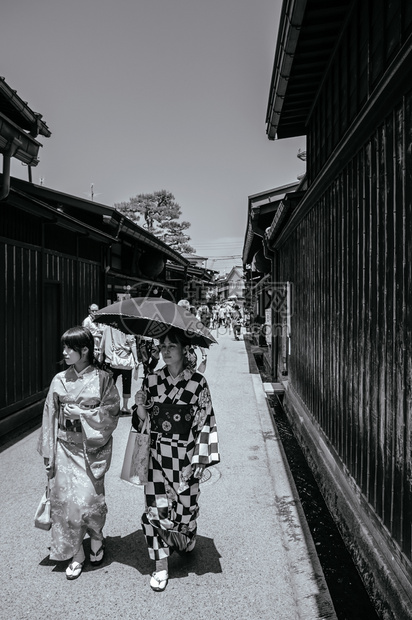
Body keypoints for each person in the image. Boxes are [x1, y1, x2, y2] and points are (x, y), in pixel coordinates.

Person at [132, 328, 220, 592]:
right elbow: (142, 423)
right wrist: (139, 406)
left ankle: (185, 536)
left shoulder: (198, 383)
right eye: (163, 346)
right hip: (157, 456)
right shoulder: (151, 380)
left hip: (185, 456)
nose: (166, 350)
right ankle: (160, 566)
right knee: (155, 512)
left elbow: (205, 422)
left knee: (185, 512)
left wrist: (200, 459)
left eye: (172, 345)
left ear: (185, 350)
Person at [37, 326, 120, 580]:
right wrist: (48, 451)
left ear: (84, 350)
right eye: (64, 348)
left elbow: (112, 413)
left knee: (90, 498)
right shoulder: (59, 379)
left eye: (68, 348)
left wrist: (83, 414)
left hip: (91, 448)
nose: (64, 353)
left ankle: (96, 535)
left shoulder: (103, 378)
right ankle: (76, 554)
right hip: (64, 446)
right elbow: (49, 414)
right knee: (64, 501)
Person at [99, 325, 139, 415]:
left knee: (110, 385)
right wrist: (136, 359)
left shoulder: (107, 327)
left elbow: (103, 343)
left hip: (110, 360)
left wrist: (101, 355)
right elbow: (132, 343)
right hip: (125, 360)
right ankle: (125, 407)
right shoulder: (126, 326)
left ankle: (110, 406)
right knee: (126, 383)